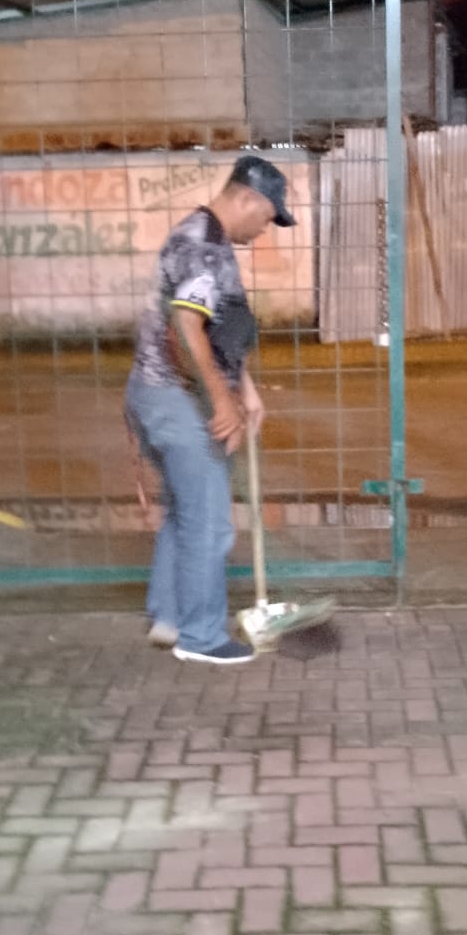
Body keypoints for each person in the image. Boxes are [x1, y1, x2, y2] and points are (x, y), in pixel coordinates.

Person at [126, 154, 295, 666]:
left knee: (186, 511)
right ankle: (200, 638)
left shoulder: (209, 239)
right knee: (210, 524)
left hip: (161, 394)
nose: (264, 230)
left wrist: (245, 389)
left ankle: (169, 618)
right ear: (246, 198)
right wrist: (222, 399)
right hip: (175, 397)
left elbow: (216, 332)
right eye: (266, 217)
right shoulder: (203, 246)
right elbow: (186, 326)